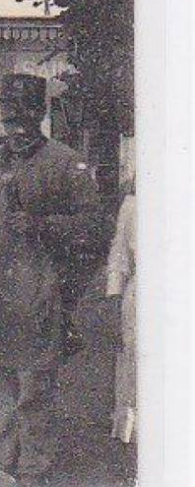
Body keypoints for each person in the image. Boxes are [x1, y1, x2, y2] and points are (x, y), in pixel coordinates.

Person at [0, 74, 102, 487]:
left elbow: (95, 228)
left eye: (25, 113)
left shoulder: (66, 163)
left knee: (34, 395)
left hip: (37, 301)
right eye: (8, 112)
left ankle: (35, 475)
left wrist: (41, 225)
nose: (16, 122)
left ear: (40, 113)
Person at [106, 185, 136, 448]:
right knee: (134, 365)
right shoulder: (133, 205)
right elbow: (119, 257)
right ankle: (131, 437)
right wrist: (114, 300)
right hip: (140, 299)